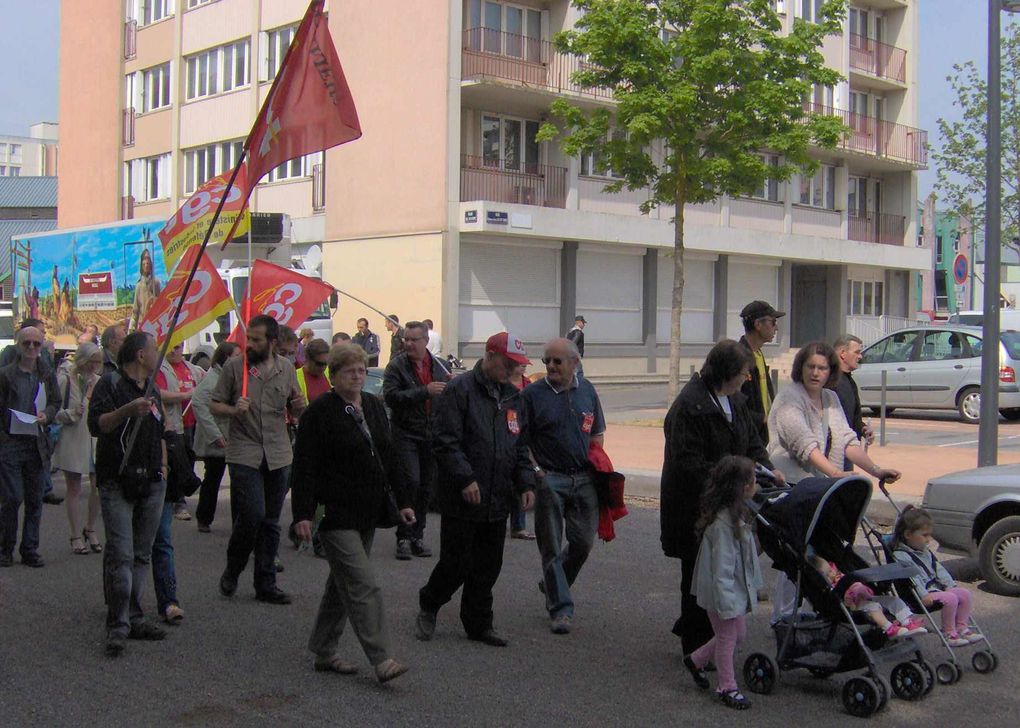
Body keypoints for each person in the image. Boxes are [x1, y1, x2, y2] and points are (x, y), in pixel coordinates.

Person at [291, 343, 414, 683]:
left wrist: (404, 501)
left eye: (361, 370)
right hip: (334, 514)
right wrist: (302, 514)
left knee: (342, 583)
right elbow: (304, 467)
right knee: (363, 584)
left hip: (368, 510)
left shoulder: (372, 406)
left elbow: (388, 456)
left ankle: (324, 649)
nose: (358, 376)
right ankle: (382, 658)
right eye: (350, 371)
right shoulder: (320, 413)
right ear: (334, 376)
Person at [660, 339, 782, 657]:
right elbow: (687, 463)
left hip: (727, 503)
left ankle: (703, 633)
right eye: (743, 372)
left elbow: (752, 443)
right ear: (727, 373)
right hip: (696, 507)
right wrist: (732, 480)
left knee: (720, 573)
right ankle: (696, 646)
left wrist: (766, 468)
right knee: (698, 574)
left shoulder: (735, 402)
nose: (748, 379)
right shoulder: (689, 407)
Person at [415, 331, 536, 647]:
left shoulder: (513, 397)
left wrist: (525, 481)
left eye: (517, 365)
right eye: (508, 363)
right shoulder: (459, 391)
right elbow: (444, 441)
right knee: (456, 563)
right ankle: (430, 601)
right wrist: (465, 477)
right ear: (490, 355)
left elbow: (519, 445)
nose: (512, 371)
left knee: (487, 566)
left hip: (498, 497)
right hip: (463, 496)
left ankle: (479, 623)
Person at [211, 314, 305, 605]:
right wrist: (232, 411)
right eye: (248, 338)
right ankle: (234, 566)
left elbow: (295, 406)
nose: (249, 344)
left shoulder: (286, 368)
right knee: (251, 514)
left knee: (271, 521)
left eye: (256, 339)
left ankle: (266, 583)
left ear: (272, 342)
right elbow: (214, 404)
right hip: (245, 451)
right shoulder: (234, 367)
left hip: (278, 452)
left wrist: (299, 407)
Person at [87, 331, 169, 656]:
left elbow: (160, 430)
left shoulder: (154, 390)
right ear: (139, 355)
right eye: (153, 348)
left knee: (141, 553)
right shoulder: (109, 384)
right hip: (115, 479)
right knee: (121, 554)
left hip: (151, 480)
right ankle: (117, 626)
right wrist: (126, 411)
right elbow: (97, 426)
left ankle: (135, 616)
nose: (157, 353)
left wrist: (163, 466)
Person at [520, 338, 605, 635]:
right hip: (550, 479)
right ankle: (560, 608)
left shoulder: (588, 391)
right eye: (547, 361)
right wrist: (538, 472)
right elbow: (522, 441)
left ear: (575, 363)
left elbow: (596, 435)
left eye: (558, 361)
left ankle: (553, 584)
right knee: (551, 547)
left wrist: (597, 468)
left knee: (582, 543)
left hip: (584, 478)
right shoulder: (532, 395)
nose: (551, 367)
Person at [681, 456, 763, 710]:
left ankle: (696, 660)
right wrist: (726, 600)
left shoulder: (734, 517)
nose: (756, 484)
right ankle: (727, 686)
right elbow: (722, 569)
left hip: (727, 592)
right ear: (741, 488)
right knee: (728, 637)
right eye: (753, 481)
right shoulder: (723, 526)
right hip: (721, 594)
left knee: (738, 634)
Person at [767, 341, 901, 484]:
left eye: (822, 368)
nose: (815, 373)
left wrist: (876, 471)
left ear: (831, 371)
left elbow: (846, 439)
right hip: (786, 482)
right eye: (810, 366)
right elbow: (804, 443)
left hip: (817, 482)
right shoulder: (788, 398)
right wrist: (835, 473)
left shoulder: (830, 397)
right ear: (800, 368)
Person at [383, 321, 451, 560]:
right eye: (406, 339)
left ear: (425, 341)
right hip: (405, 433)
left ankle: (417, 536)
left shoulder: (440, 366)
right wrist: (425, 391)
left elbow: (447, 397)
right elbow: (390, 397)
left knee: (426, 487)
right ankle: (403, 535)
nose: (409, 344)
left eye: (414, 340)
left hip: (431, 435)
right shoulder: (396, 367)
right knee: (410, 481)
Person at [0, 326, 59, 568]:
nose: (32, 348)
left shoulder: (46, 373)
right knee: (12, 497)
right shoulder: (5, 375)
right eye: (27, 344)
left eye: (37, 344)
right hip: (11, 441)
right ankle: (5, 548)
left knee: (35, 499)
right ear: (18, 345)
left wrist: (48, 415)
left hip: (37, 443)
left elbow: (56, 401)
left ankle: (30, 549)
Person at [890, 506, 983, 647]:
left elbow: (938, 569)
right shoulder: (901, 556)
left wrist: (950, 585)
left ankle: (962, 627)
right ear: (908, 534)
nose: (928, 540)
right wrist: (923, 594)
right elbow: (912, 579)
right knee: (951, 598)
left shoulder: (925, 552)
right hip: (920, 596)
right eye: (924, 535)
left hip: (936, 589)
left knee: (964, 594)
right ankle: (949, 633)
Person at [53, 342, 104, 555]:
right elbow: (54, 411)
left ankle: (90, 527)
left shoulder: (99, 382)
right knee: (73, 487)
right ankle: (75, 534)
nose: (94, 366)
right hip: (73, 438)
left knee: (97, 486)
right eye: (91, 361)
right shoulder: (66, 380)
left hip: (94, 440)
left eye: (97, 361)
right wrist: (72, 412)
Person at [809, 555, 927, 639]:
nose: (832, 574)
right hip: (852, 605)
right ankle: (889, 629)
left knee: (894, 600)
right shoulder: (829, 588)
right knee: (873, 606)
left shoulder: (840, 574)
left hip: (866, 595)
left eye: (831, 570)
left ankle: (907, 622)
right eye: (827, 574)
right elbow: (834, 598)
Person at [192, 342, 240, 533]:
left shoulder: (231, 376)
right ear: (225, 358)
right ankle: (204, 517)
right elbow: (199, 406)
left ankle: (239, 520)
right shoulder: (212, 379)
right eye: (235, 355)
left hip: (232, 436)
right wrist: (216, 436)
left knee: (238, 481)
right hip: (217, 439)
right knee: (212, 479)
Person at [156, 343, 202, 521]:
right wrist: (186, 395)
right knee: (173, 463)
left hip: (189, 422)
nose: (176, 351)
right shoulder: (160, 368)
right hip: (172, 423)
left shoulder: (190, 367)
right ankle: (176, 502)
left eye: (179, 347)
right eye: (172, 347)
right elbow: (159, 393)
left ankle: (179, 497)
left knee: (187, 460)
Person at [738, 300, 783, 446]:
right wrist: (761, 418)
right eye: (773, 322)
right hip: (747, 438)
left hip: (763, 436)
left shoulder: (757, 353)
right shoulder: (739, 357)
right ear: (758, 325)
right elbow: (734, 404)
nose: (776, 328)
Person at [829, 334, 875, 459]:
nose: (860, 356)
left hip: (850, 450)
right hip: (834, 452)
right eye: (857, 352)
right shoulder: (830, 381)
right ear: (843, 353)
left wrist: (862, 428)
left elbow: (849, 416)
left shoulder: (849, 380)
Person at [507, 362, 534, 540]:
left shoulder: (529, 386)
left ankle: (518, 526)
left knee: (520, 483)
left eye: (525, 364)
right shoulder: (503, 385)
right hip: (507, 433)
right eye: (520, 364)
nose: (523, 367)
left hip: (522, 432)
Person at [131, 248, 161, 331]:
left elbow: (159, 303)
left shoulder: (156, 282)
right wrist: (133, 327)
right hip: (142, 323)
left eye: (148, 258)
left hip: (153, 323)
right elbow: (135, 309)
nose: (146, 262)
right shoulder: (139, 285)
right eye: (144, 259)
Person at [295, 339, 333, 405]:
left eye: (326, 363)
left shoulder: (330, 372)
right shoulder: (295, 376)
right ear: (307, 358)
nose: (323, 367)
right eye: (319, 364)